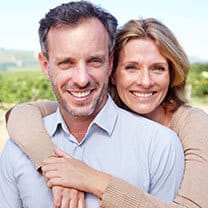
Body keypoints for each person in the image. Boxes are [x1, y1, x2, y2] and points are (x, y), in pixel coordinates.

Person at [4, 16, 208, 208]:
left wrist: (92, 180)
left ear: (173, 74)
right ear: (112, 71)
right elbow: (21, 114)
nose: (145, 81)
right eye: (131, 68)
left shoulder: (191, 124)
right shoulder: (89, 104)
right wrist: (53, 168)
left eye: (158, 68)